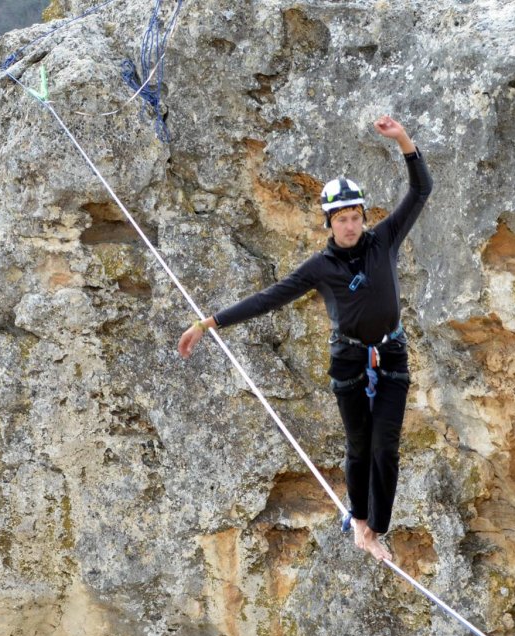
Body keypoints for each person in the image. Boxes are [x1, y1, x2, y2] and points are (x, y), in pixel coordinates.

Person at [178, 115, 433, 563]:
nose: (350, 226)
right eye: (342, 219)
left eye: (355, 217)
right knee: (358, 446)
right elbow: (267, 299)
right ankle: (358, 519)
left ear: (363, 217)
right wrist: (207, 324)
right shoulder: (320, 268)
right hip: (350, 361)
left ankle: (376, 530)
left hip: (391, 354)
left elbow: (420, 191)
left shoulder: (384, 240)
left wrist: (404, 142)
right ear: (329, 222)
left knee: (385, 447)